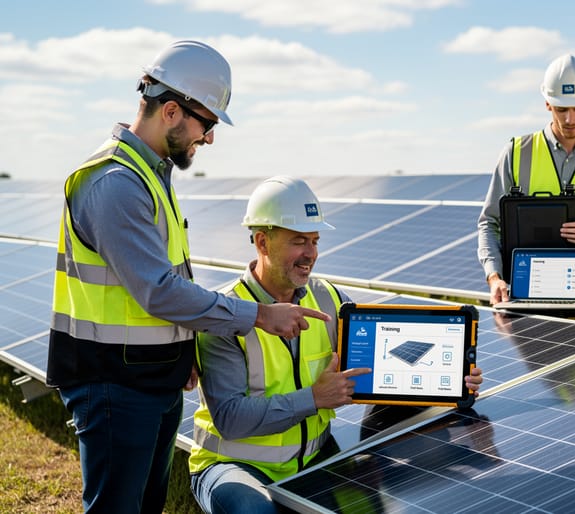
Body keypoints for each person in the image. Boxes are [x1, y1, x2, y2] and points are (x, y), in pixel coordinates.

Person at [46, 41, 327, 513]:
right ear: (172, 110)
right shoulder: (115, 182)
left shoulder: (150, 177)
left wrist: (179, 348)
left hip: (148, 377)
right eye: (208, 123)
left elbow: (153, 286)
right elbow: (157, 290)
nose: (210, 139)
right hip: (114, 383)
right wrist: (258, 315)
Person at [189, 176, 484, 514]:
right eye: (299, 241)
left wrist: (452, 378)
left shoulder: (328, 299)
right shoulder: (227, 315)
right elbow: (230, 419)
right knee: (252, 511)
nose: (310, 254)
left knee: (372, 506)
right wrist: (314, 399)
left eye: (314, 241)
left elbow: (389, 361)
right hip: (236, 465)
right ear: (262, 243)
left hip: (314, 455)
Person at [477, 54, 575, 315]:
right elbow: (489, 223)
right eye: (561, 109)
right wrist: (494, 276)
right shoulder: (516, 152)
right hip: (522, 304)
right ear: (547, 104)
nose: (570, 120)